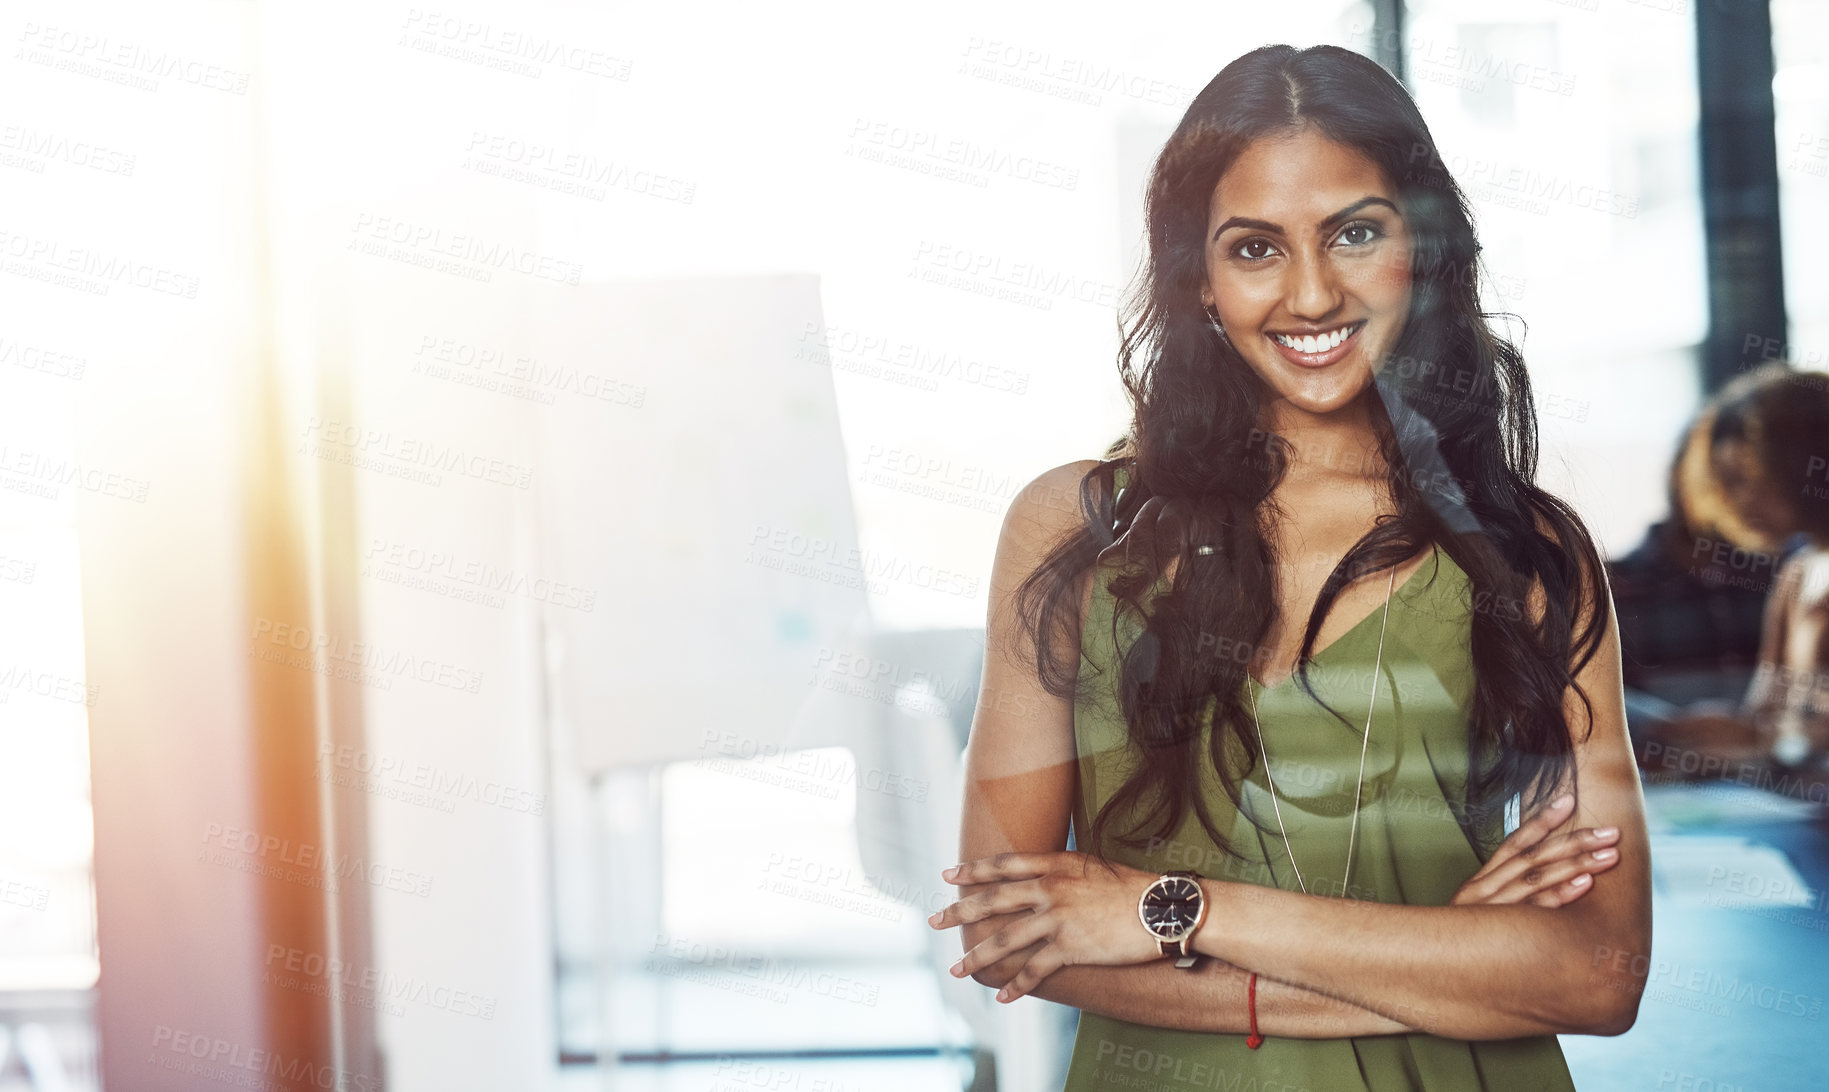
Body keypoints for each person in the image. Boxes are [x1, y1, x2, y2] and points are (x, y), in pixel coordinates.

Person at [927, 44, 1651, 1090]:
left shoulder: (1529, 556)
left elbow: (1597, 975)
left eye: (1355, 233)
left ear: (1425, 249)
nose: (1310, 295)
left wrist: (1164, 911)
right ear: (1199, 281)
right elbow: (1005, 936)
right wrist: (1437, 955)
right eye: (1254, 248)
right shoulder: (1073, 529)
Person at [1635, 364, 1829, 785]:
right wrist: (1726, 733)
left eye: (1746, 478)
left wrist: (1762, 750)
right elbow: (1767, 722)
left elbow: (1782, 742)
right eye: (1726, 482)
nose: (1736, 501)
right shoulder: (1796, 575)